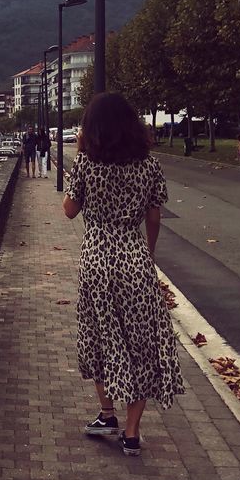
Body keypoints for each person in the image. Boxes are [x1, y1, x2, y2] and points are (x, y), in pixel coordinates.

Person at [62, 92, 184, 455]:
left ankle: (106, 412)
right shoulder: (149, 166)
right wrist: (147, 254)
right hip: (135, 261)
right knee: (141, 344)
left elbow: (69, 211)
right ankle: (132, 433)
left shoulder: (86, 165)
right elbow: (154, 216)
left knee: (99, 337)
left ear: (92, 129)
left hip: (97, 261)